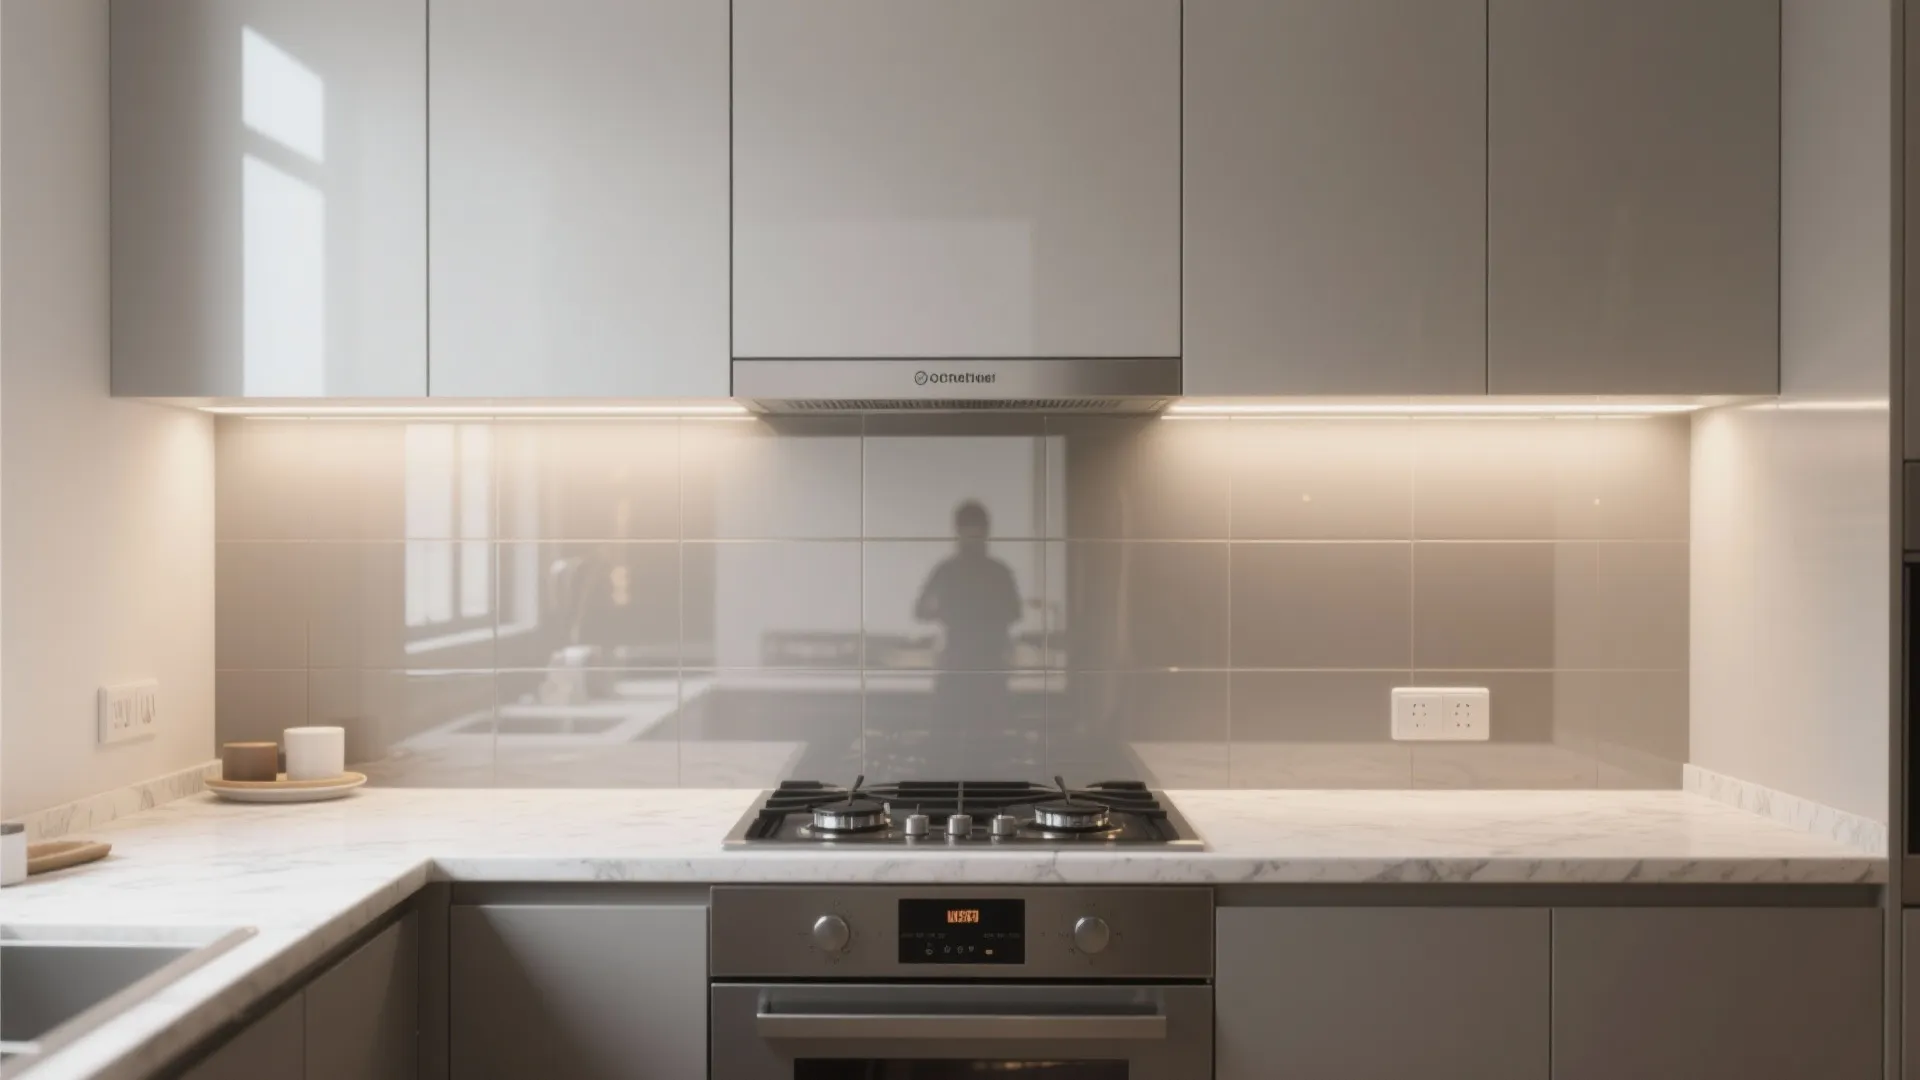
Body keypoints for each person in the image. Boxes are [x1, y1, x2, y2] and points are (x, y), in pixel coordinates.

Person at [913, 501, 1023, 672]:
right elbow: (1015, 613)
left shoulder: (947, 570)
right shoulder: (998, 572)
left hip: (971, 660)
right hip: (981, 660)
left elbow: (921, 610)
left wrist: (950, 613)